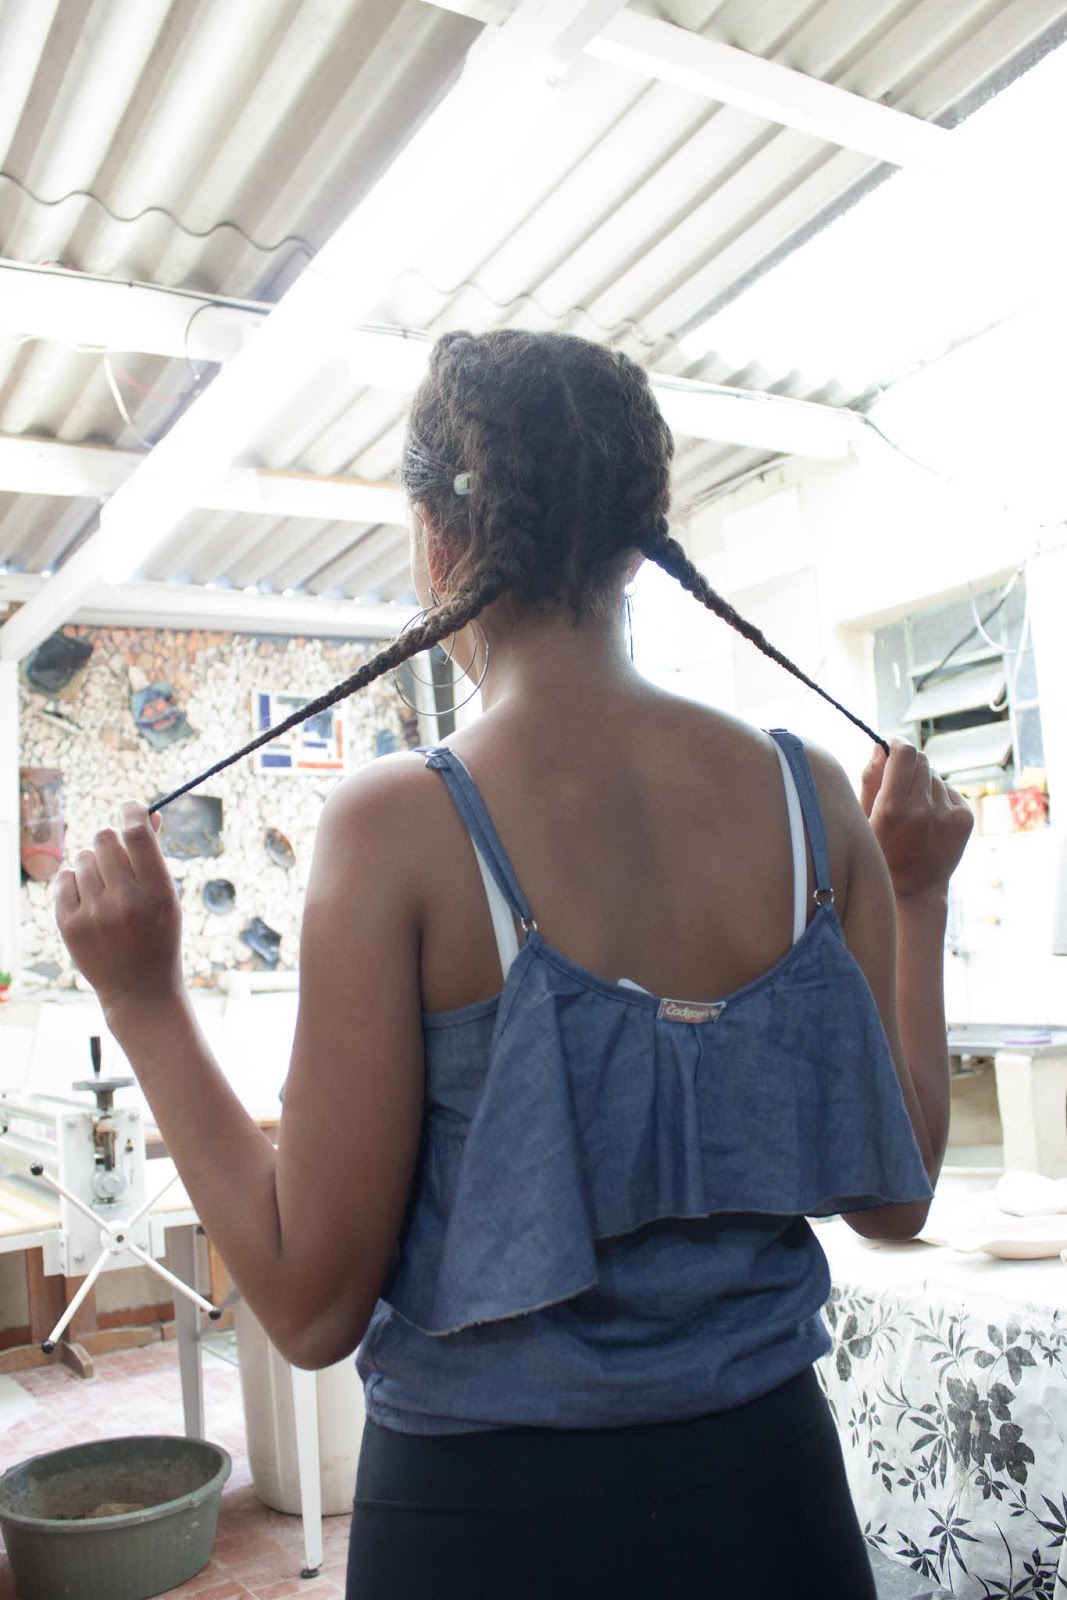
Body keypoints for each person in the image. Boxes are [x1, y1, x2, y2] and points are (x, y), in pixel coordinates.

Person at [56, 329, 973, 1599]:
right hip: (771, 1501)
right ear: (641, 543)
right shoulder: (808, 795)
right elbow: (895, 1196)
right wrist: (916, 894)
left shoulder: (397, 827)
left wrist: (143, 998)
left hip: (485, 1525)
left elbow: (310, 1307)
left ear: (436, 539)